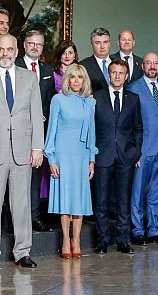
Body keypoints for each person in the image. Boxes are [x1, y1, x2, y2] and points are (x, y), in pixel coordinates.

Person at [0, 34, 44, 268]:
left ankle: (23, 252)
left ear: (17, 51)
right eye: (1, 49)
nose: (5, 53)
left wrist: (37, 147)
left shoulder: (29, 78)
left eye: (9, 49)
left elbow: (36, 114)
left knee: (22, 204)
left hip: (22, 151)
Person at [44, 63, 97, 259]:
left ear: (84, 81)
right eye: (73, 77)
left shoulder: (89, 103)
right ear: (67, 79)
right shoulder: (58, 99)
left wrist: (91, 159)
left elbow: (92, 132)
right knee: (65, 198)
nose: (76, 81)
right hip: (63, 155)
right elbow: (52, 131)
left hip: (82, 155)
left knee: (79, 198)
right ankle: (66, 239)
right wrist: (51, 158)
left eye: (80, 77)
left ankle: (77, 239)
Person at [93, 59, 142, 255]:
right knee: (101, 201)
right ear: (108, 74)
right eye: (114, 72)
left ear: (126, 75)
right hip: (102, 156)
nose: (117, 76)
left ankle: (123, 240)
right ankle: (102, 240)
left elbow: (138, 128)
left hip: (125, 157)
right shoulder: (96, 97)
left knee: (124, 201)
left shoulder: (134, 98)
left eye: (121, 73)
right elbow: (92, 128)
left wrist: (135, 152)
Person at [128, 52, 158, 246]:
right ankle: (138, 230)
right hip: (143, 149)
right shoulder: (133, 88)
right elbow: (130, 123)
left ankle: (154, 230)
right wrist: (134, 151)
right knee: (138, 191)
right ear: (142, 66)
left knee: (156, 192)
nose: (152, 67)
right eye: (148, 63)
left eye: (155, 63)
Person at [15, 30, 56, 233]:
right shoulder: (15, 66)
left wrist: (43, 118)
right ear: (24, 45)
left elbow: (49, 100)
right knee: (13, 176)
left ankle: (34, 217)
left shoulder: (47, 69)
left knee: (34, 176)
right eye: (31, 43)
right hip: (17, 131)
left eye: (39, 45)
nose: (35, 47)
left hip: (39, 132)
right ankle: (12, 220)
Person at [78, 27, 112, 93]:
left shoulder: (119, 63)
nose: (102, 46)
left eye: (105, 42)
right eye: (97, 43)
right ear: (91, 45)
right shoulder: (83, 66)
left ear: (109, 44)